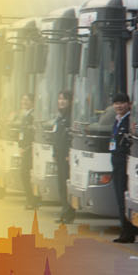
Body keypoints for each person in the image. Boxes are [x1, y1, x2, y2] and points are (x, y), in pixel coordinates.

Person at [109, 94, 138, 243]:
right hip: (116, 164)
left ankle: (127, 231)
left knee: (123, 198)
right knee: (119, 198)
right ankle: (124, 230)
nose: (118, 106)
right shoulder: (117, 120)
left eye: (122, 103)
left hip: (124, 165)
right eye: (116, 103)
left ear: (128, 104)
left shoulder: (129, 121)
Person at [52, 90, 76, 223]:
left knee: (66, 184)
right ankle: (64, 210)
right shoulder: (60, 117)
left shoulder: (70, 117)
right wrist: (54, 153)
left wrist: (68, 153)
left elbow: (70, 138)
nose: (61, 101)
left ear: (70, 101)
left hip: (66, 156)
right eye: (59, 99)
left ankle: (68, 213)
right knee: (61, 184)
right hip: (59, 156)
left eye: (64, 99)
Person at [11, 93, 36, 204]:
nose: (24, 102)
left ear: (32, 102)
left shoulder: (33, 116)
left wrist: (26, 146)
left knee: (25, 173)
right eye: (23, 100)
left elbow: (31, 133)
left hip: (29, 149)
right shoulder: (24, 115)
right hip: (24, 148)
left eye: (27, 100)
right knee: (24, 173)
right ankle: (30, 199)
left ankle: (31, 199)